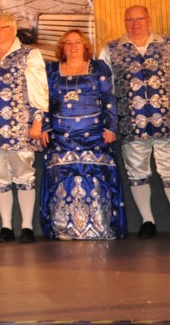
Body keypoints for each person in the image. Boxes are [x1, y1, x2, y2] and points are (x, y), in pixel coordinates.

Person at [41, 30, 126, 240]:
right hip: (61, 135)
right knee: (62, 178)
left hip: (94, 134)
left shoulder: (98, 68)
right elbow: (44, 101)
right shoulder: (51, 70)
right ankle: (64, 228)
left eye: (77, 42)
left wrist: (111, 127)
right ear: (62, 47)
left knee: (95, 177)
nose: (73, 47)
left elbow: (108, 98)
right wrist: (44, 127)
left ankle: (98, 226)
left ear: (85, 45)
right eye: (68, 43)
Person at [99, 5, 170, 238]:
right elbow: (105, 89)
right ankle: (147, 221)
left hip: (166, 122)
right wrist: (110, 122)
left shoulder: (167, 45)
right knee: (136, 172)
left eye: (139, 19)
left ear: (149, 20)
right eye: (129, 20)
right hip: (130, 123)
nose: (135, 24)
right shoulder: (110, 50)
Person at [0, 14, 48, 244]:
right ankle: (6, 226)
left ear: (13, 29)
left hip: (20, 126)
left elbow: (39, 89)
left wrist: (37, 121)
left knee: (24, 174)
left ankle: (27, 226)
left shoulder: (29, 54)